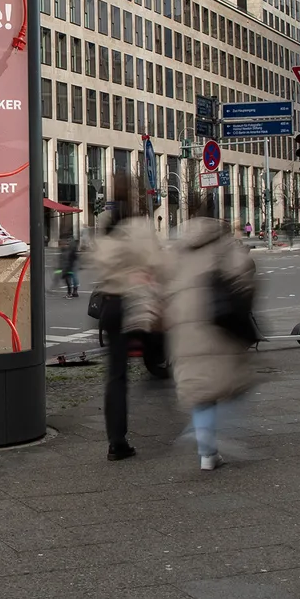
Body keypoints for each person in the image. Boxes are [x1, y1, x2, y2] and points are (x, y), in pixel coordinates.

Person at [162, 193, 258, 472]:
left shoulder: (179, 247)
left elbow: (165, 283)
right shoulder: (225, 244)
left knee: (200, 389)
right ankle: (200, 433)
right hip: (218, 326)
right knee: (234, 387)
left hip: (185, 327)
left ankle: (207, 452)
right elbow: (245, 276)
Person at [87, 172, 165, 462]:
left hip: (110, 306)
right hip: (136, 306)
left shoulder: (106, 229)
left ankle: (116, 441)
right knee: (161, 348)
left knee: (115, 376)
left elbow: (97, 263)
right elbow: (157, 263)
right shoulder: (140, 227)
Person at [62, 234, 82, 298]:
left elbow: (71, 254)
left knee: (70, 276)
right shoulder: (73, 243)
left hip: (71, 262)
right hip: (72, 262)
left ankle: (71, 292)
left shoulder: (71, 244)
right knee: (73, 276)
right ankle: (74, 291)